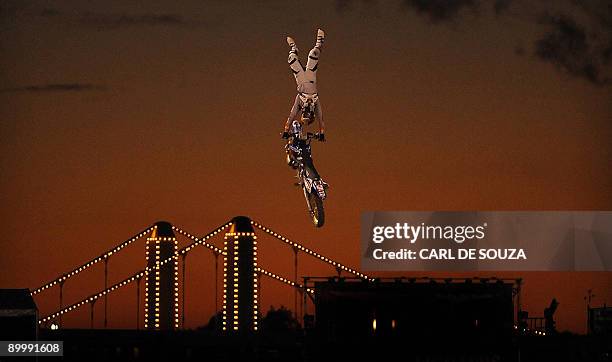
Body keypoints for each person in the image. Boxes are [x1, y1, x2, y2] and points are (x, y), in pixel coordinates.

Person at [282, 29, 326, 142]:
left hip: (301, 81)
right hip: (311, 79)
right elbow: (321, 118)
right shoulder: (315, 102)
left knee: (291, 59)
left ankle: (293, 48)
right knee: (313, 54)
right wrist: (322, 132)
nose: (307, 112)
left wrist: (286, 130)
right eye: (308, 115)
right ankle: (319, 43)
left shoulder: (300, 100)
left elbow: (292, 115)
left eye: (304, 114)